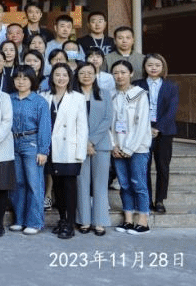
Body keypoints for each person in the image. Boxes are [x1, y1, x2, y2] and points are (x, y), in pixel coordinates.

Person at [43, 63, 89, 239]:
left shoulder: (77, 98)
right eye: (57, 74)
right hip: (51, 149)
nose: (61, 78)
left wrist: (80, 153)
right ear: (52, 77)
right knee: (57, 187)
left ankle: (70, 224)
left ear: (70, 78)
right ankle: (62, 220)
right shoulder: (45, 96)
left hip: (69, 150)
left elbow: (82, 128)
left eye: (64, 75)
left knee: (69, 188)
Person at [8, 65, 52, 235]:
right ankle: (19, 220)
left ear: (32, 80)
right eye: (18, 78)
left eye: (25, 78)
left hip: (32, 144)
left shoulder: (39, 101)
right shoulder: (9, 99)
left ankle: (34, 222)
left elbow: (45, 127)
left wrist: (43, 150)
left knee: (34, 184)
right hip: (13, 143)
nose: (21, 81)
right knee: (17, 183)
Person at [110, 60, 152, 234]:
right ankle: (128, 220)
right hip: (117, 149)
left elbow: (142, 124)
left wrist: (129, 148)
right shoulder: (111, 95)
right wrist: (113, 146)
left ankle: (143, 221)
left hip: (138, 148)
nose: (119, 76)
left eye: (123, 72)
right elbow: (108, 124)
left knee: (138, 184)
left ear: (131, 73)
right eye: (116, 73)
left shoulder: (140, 94)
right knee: (124, 184)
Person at [134, 53, 178, 214]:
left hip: (164, 131)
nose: (153, 68)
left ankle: (159, 200)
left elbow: (172, 110)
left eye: (157, 65)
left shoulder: (171, 86)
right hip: (142, 131)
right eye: (150, 65)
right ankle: (145, 199)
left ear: (163, 67)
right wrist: (146, 128)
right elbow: (132, 109)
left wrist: (158, 128)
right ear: (144, 67)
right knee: (143, 167)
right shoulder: (136, 85)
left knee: (162, 167)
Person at [74, 63, 113, 236]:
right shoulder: (73, 95)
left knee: (100, 184)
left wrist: (91, 141)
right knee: (81, 183)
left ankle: (100, 221)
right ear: (77, 75)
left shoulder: (104, 93)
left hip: (101, 145)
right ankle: (84, 220)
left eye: (90, 72)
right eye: (82, 73)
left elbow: (108, 119)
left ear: (95, 75)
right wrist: (84, 143)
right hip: (78, 146)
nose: (86, 76)